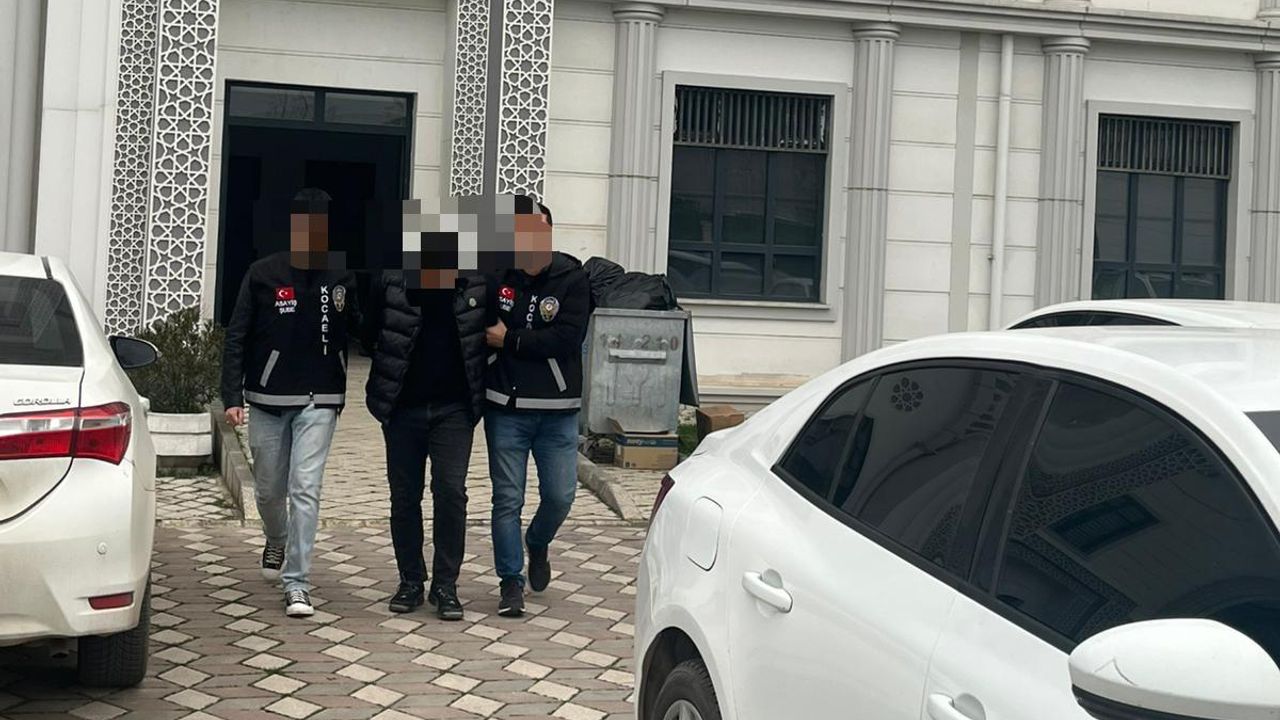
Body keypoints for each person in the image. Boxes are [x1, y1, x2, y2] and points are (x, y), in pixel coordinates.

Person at [221, 187, 358, 618]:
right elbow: (237, 335)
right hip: (267, 398)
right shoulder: (263, 273)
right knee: (268, 490)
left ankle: (297, 582)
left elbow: (361, 330)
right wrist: (231, 395)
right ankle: (276, 539)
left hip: (320, 398)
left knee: (305, 488)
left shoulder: (341, 275)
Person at [363, 263, 488, 620]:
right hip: (402, 407)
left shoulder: (476, 284)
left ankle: (446, 585)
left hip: (454, 409)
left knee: (451, 492)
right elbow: (368, 335)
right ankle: (411, 581)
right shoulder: (390, 280)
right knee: (405, 497)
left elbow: (486, 338)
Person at [484, 195, 590, 618]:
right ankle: (510, 582)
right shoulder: (497, 277)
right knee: (507, 499)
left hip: (557, 410)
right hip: (505, 408)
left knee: (560, 496)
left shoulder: (572, 279)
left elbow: (565, 338)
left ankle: (538, 541)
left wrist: (510, 340)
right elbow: (481, 328)